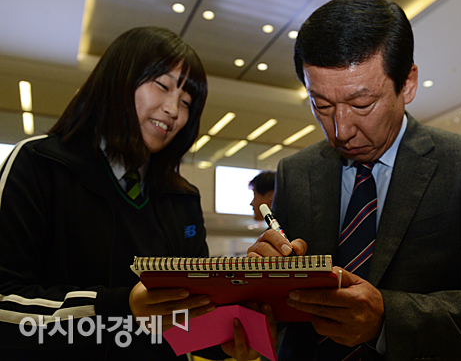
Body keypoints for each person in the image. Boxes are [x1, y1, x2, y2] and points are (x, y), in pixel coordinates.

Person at [247, 0, 461, 361]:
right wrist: (261, 284)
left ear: (408, 83)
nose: (340, 130)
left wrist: (388, 319)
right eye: (321, 105)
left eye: (361, 104)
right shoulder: (296, 170)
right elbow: (285, 306)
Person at [0, 26, 274, 361]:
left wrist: (229, 338)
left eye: (186, 102)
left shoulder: (181, 197)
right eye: (162, 86)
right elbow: (6, 305)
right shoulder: (39, 165)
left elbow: (189, 318)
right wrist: (123, 308)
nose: (174, 110)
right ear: (119, 79)